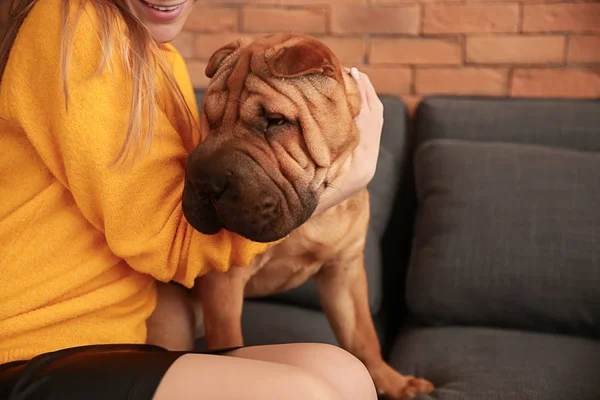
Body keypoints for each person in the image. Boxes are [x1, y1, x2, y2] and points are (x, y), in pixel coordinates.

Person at [0, 0, 385, 398]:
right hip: (28, 347)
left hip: (112, 343)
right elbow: (172, 240)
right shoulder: (72, 21)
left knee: (346, 374)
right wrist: (335, 187)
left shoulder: (161, 59)